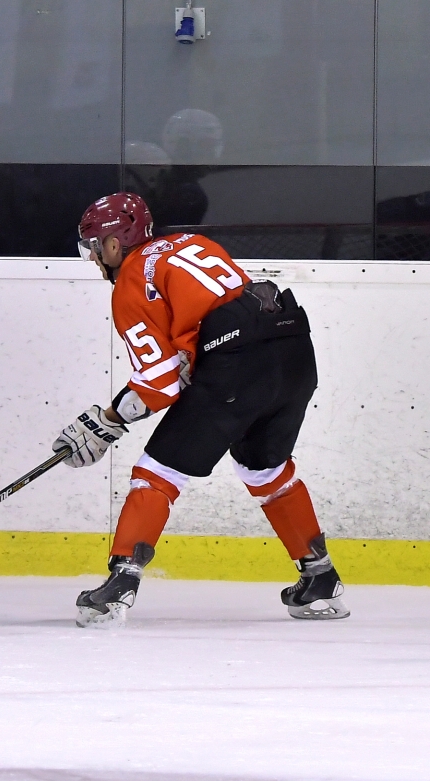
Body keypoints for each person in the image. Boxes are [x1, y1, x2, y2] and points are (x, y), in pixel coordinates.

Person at [54, 192, 348, 627]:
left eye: (94, 248)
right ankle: (320, 578)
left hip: (239, 367)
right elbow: (219, 318)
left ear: (114, 244)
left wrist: (106, 421)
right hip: (294, 356)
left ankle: (118, 587)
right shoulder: (191, 243)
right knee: (264, 470)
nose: (95, 260)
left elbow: (160, 381)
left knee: (156, 474)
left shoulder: (132, 281)